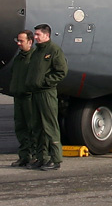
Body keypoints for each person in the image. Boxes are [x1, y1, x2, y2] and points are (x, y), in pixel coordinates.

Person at [30, 23, 68, 171]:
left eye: (38, 34)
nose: (35, 37)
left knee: (50, 126)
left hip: (47, 93)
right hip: (36, 93)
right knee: (38, 127)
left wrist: (45, 82)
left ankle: (56, 159)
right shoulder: (36, 52)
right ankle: (42, 157)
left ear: (47, 35)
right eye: (35, 34)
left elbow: (61, 71)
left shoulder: (54, 50)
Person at [8, 30, 37, 167]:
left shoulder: (34, 58)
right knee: (20, 127)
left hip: (29, 98)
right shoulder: (19, 58)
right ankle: (24, 156)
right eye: (17, 41)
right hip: (18, 97)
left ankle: (36, 156)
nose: (18, 44)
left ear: (30, 42)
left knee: (33, 127)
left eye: (21, 41)